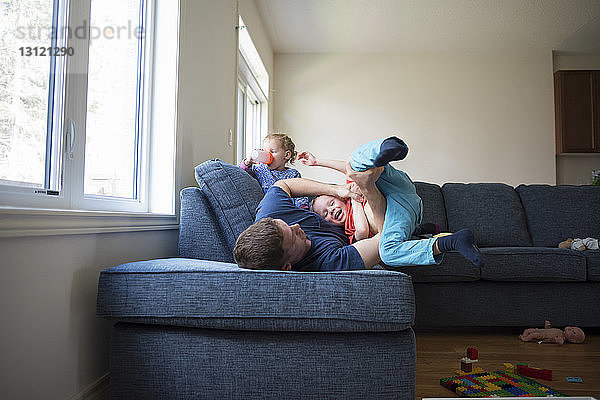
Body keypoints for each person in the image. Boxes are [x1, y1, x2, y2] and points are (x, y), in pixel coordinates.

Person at [234, 136, 482, 271]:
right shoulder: (328, 262)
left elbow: (284, 186)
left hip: (395, 185)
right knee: (389, 250)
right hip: (395, 211)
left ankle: (386, 147)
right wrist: (368, 191)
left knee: (355, 165)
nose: (298, 226)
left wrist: (339, 189)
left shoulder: (268, 212)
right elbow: (383, 237)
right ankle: (446, 241)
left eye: (287, 225)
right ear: (287, 266)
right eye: (294, 238)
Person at [299, 151, 440, 244]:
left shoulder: (350, 192)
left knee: (356, 171)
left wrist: (317, 161)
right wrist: (356, 201)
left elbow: (349, 170)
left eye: (331, 203)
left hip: (400, 202)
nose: (331, 210)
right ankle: (418, 231)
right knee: (366, 203)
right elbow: (362, 232)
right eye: (325, 214)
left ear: (339, 197)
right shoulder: (349, 227)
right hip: (392, 228)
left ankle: (380, 160)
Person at [239, 133, 309, 209]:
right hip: (266, 209)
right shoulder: (259, 169)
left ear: (286, 155)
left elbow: (301, 195)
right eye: (265, 151)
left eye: (272, 152)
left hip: (285, 209)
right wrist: (247, 162)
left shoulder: (292, 174)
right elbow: (241, 174)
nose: (268, 155)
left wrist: (302, 208)